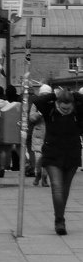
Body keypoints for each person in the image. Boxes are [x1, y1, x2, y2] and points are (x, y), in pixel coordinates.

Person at [31, 85, 83, 235]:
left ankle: (60, 215)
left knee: (65, 190)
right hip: (53, 153)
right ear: (58, 104)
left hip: (72, 154)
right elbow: (37, 100)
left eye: (68, 107)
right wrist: (55, 95)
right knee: (57, 187)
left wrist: (73, 94)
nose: (66, 110)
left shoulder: (78, 113)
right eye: (63, 107)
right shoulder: (50, 111)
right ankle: (59, 221)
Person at [28, 93, 48, 187]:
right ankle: (38, 174)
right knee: (38, 157)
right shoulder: (36, 104)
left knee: (47, 157)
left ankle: (44, 177)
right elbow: (31, 118)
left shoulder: (53, 104)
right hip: (39, 133)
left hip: (49, 133)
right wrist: (39, 113)